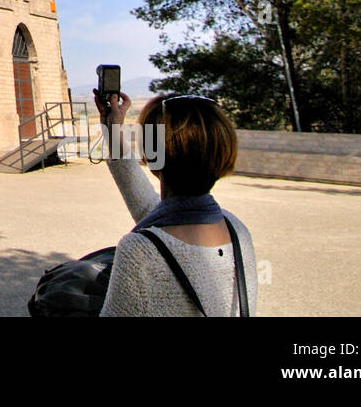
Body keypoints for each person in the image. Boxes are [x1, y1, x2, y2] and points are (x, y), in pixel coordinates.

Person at [96, 91, 257, 316]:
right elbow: (154, 213)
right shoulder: (237, 230)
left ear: (152, 155)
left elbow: (158, 228)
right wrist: (113, 133)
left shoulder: (140, 252)